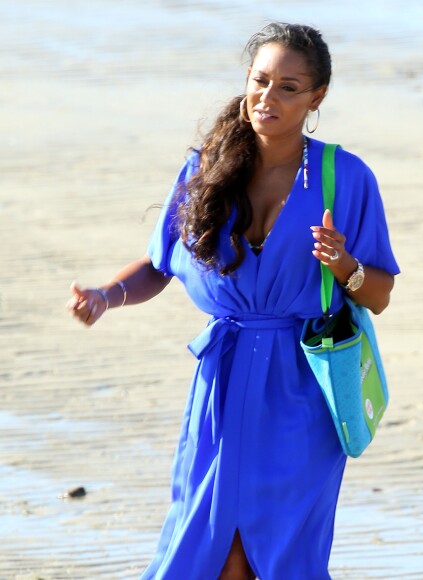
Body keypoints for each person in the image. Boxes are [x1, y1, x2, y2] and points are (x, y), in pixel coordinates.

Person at [67, 22, 399, 580]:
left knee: (270, 552)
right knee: (207, 545)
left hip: (303, 391)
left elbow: (381, 294)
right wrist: (107, 295)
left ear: (316, 97)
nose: (268, 97)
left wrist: (343, 265)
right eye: (260, 81)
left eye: (289, 87)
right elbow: (158, 264)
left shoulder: (346, 177)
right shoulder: (207, 169)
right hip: (220, 384)